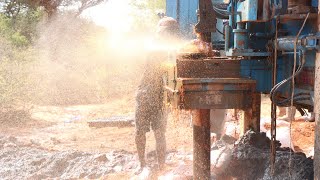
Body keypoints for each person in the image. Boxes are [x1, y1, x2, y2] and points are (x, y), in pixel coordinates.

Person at [134, 16, 179, 173]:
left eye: (173, 33)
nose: (170, 36)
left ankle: (162, 165)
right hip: (145, 94)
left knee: (160, 133)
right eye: (168, 32)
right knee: (140, 131)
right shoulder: (152, 45)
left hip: (161, 96)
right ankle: (142, 164)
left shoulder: (171, 48)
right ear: (160, 31)